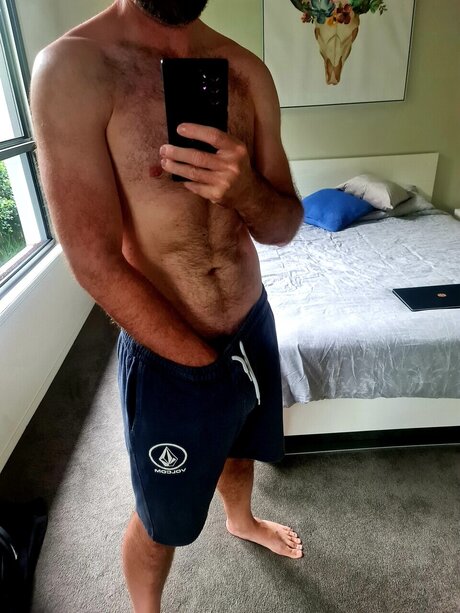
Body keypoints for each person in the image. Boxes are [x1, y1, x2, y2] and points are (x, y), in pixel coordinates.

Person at [30, 0, 304, 611]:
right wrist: (202, 368)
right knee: (163, 519)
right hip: (168, 350)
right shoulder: (73, 69)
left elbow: (285, 224)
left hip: (250, 322)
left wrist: (246, 191)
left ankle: (242, 519)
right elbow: (93, 260)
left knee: (240, 446)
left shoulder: (246, 70)